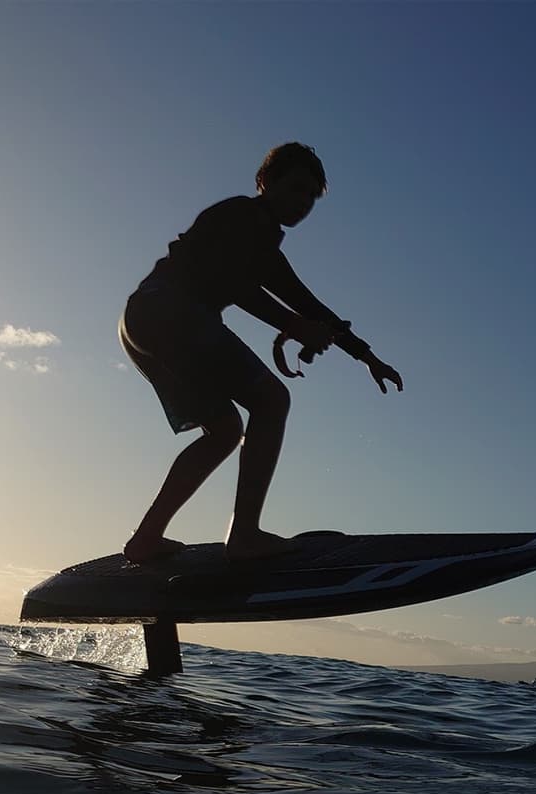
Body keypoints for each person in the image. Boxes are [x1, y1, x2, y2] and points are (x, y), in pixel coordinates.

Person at [119, 143, 403, 564]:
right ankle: (245, 535)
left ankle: (146, 539)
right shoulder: (240, 215)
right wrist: (291, 325)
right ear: (265, 182)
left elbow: (308, 304)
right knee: (272, 401)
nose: (302, 202)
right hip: (170, 314)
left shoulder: (266, 250)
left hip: (143, 322)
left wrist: (366, 357)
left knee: (225, 431)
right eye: (295, 188)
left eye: (311, 196)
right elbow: (232, 282)